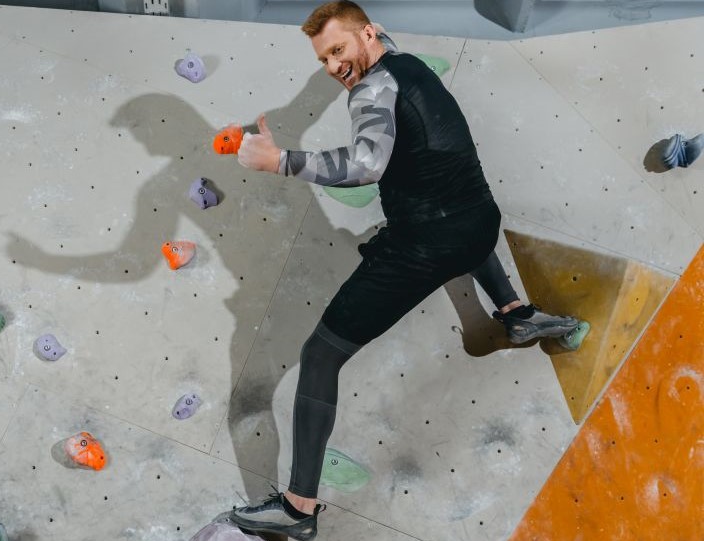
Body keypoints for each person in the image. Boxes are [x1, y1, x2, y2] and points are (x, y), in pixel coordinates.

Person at [227, 2, 579, 539]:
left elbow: (366, 165)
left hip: (428, 246)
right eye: (323, 59)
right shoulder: (403, 61)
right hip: (481, 227)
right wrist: (357, 47)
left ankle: (298, 509)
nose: (332, 67)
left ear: (367, 34)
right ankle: (515, 312)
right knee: (441, 185)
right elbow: (370, 56)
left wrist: (279, 161)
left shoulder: (371, 91)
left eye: (338, 50)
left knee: (319, 355)